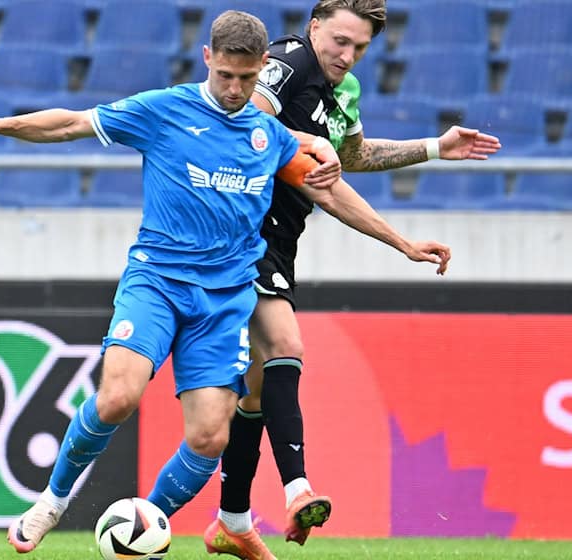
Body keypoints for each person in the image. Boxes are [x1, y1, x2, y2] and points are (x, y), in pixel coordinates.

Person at [0, 10, 451, 560]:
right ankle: (52, 501)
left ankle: (143, 525)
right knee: (118, 398)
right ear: (208, 60)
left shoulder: (269, 135)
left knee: (211, 436)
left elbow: (329, 191)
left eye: (247, 79)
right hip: (157, 281)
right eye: (226, 76)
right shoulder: (165, 110)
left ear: (262, 70)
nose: (235, 90)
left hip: (225, 300)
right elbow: (72, 123)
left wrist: (402, 243)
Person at [205, 0, 501, 556]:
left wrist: (435, 148)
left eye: (360, 47)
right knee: (284, 345)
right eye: (340, 41)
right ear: (314, 26)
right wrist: (312, 156)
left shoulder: (343, 92)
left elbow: (353, 157)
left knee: (254, 394)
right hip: (244, 234)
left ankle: (232, 520)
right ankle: (297, 490)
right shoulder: (286, 64)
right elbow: (244, 124)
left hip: (280, 239)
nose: (348, 55)